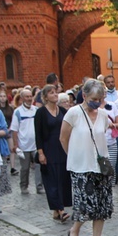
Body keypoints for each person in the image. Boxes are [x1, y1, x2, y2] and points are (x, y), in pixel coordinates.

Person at [60, 79, 113, 236]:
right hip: (81, 167)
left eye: (100, 99)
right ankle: (74, 231)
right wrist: (73, 155)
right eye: (93, 98)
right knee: (85, 205)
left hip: (101, 166)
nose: (96, 102)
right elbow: (63, 137)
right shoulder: (73, 113)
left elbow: (101, 137)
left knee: (102, 206)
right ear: (84, 96)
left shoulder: (104, 115)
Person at [35, 84, 72, 222]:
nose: (55, 95)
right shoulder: (41, 113)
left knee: (62, 179)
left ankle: (57, 211)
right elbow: (38, 134)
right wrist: (41, 153)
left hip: (61, 148)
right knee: (52, 181)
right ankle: (61, 210)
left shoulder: (62, 110)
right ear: (45, 97)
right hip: (48, 149)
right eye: (51, 93)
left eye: (55, 92)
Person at [10, 88, 43, 195]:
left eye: (30, 96)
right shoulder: (18, 112)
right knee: (25, 168)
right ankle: (23, 186)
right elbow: (14, 129)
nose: (29, 98)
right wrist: (16, 144)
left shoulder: (36, 110)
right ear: (22, 98)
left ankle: (39, 186)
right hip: (23, 145)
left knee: (39, 166)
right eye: (27, 96)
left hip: (36, 144)